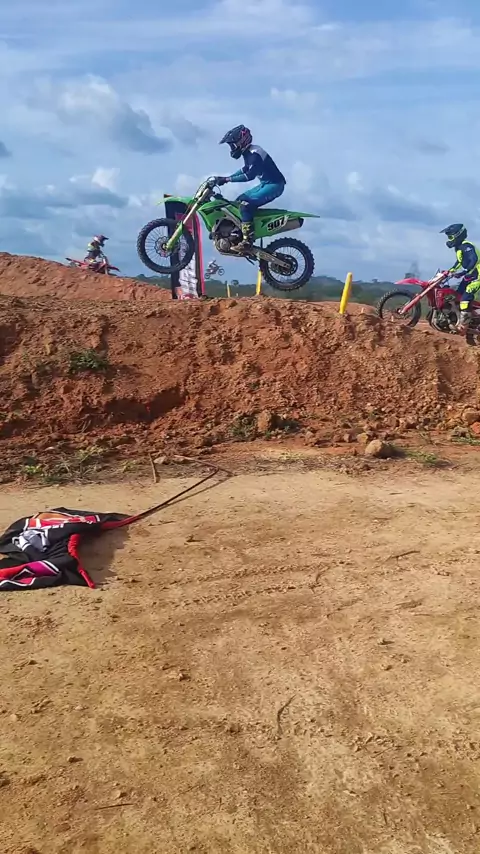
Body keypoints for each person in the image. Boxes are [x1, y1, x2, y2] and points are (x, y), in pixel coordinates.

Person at [215, 125, 286, 248]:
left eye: (233, 145)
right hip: (266, 184)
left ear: (242, 141)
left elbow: (249, 175)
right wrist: (226, 178)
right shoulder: (248, 152)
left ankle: (248, 240)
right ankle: (239, 232)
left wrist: (227, 179)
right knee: (239, 201)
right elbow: (245, 169)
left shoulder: (255, 154)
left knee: (245, 205)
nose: (232, 148)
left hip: (275, 185)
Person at [441, 224, 480, 331]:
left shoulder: (467, 246)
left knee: (464, 299)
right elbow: (459, 262)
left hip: (477, 276)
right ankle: (455, 319)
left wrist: (464, 272)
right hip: (470, 276)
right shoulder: (458, 248)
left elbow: (474, 260)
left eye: (450, 237)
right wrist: (450, 271)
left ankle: (463, 326)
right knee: (456, 296)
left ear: (457, 235)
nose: (449, 240)